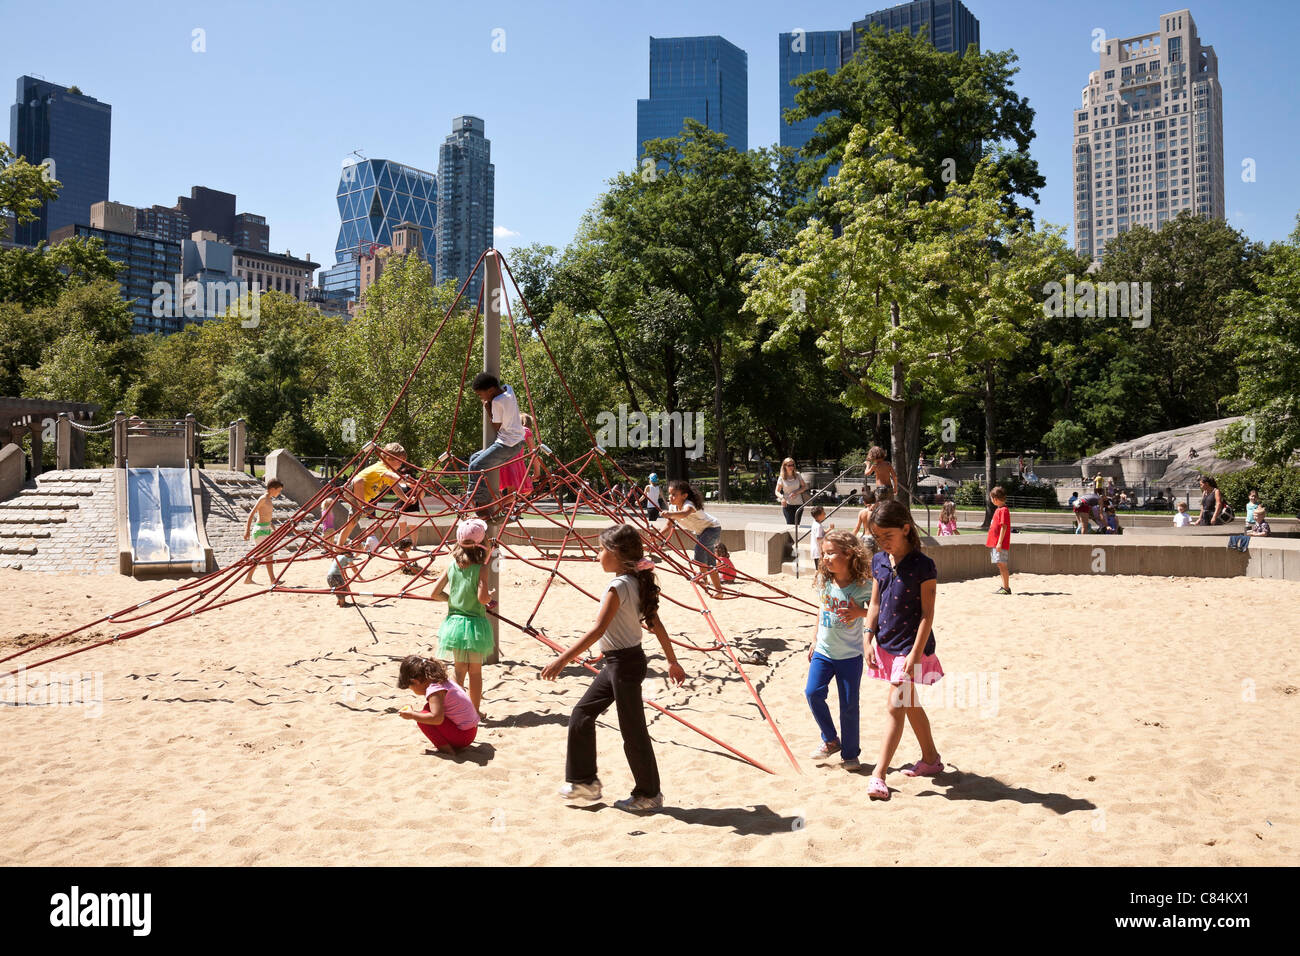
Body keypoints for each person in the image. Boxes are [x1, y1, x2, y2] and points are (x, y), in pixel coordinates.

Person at [540, 524, 687, 810]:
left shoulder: (618, 586)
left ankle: (648, 794)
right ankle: (583, 783)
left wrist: (561, 660)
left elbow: (597, 629)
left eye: (601, 549)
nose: (597, 556)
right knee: (582, 714)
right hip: (620, 661)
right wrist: (671, 660)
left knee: (633, 731)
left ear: (617, 554)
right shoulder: (633, 581)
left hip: (625, 665)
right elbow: (652, 625)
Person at [863, 500, 944, 801]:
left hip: (911, 648)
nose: (883, 543)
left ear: (906, 529)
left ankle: (878, 775)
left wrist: (914, 655)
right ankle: (932, 760)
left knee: (896, 705)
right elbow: (874, 604)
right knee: (909, 704)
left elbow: (927, 614)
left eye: (888, 536)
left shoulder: (924, 566)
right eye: (877, 537)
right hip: (885, 642)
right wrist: (867, 637)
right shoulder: (879, 561)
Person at [805, 530, 873, 770]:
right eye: (824, 553)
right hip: (823, 651)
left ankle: (851, 754)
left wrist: (860, 613)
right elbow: (821, 610)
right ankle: (831, 739)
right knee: (813, 693)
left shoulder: (864, 586)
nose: (825, 559)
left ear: (849, 554)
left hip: (849, 655)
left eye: (831, 553)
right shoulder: (824, 580)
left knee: (849, 705)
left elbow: (879, 613)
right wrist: (814, 639)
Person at [432, 518, 496, 715]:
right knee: (475, 672)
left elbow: (434, 593)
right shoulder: (481, 568)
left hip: (455, 624)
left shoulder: (452, 566)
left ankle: (455, 709)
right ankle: (474, 711)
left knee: (459, 671)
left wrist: (453, 600)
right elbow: (482, 597)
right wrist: (489, 597)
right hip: (474, 625)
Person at [466, 372, 526, 517]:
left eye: (481, 395)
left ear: (491, 391)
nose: (482, 398)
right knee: (474, 458)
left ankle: (482, 505)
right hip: (515, 441)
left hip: (507, 444)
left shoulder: (497, 402)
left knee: (476, 466)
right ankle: (479, 498)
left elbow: (497, 426)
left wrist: (487, 407)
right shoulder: (508, 389)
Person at [396, 655, 480, 754]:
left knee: (423, 718)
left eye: (411, 687)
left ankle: (446, 750)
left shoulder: (434, 690)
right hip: (471, 731)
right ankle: (449, 744)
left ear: (415, 681)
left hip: (463, 737)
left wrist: (412, 715)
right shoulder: (443, 681)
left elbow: (437, 718)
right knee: (427, 708)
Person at [659, 479, 725, 598]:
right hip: (702, 532)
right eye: (669, 494)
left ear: (684, 496)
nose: (671, 497)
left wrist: (670, 514)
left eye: (674, 494)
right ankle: (719, 591)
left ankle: (702, 576)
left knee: (699, 548)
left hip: (712, 528)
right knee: (710, 563)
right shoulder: (673, 508)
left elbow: (684, 513)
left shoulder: (689, 505)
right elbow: (669, 525)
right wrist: (657, 536)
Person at [335, 442, 405, 549]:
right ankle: (363, 506)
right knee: (358, 480)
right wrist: (403, 479)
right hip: (351, 489)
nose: (401, 464)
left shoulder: (389, 473)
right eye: (399, 461)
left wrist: (407, 499)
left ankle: (339, 546)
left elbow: (397, 489)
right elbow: (390, 475)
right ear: (388, 458)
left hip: (360, 498)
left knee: (351, 523)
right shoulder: (382, 467)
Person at [242, 478, 284, 584]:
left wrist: (272, 525)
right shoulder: (263, 499)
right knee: (268, 555)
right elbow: (252, 514)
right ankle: (272, 580)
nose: (279, 493)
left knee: (260, 556)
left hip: (266, 528)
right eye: (278, 490)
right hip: (260, 530)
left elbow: (266, 515)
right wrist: (247, 530)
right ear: (271, 489)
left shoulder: (269, 500)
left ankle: (248, 578)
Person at [987, 486, 1012, 594]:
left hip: (999, 543)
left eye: (992, 498)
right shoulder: (999, 510)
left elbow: (1004, 526)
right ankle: (1004, 586)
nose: (992, 501)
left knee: (1002, 564)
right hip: (996, 542)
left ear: (995, 499)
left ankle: (1006, 588)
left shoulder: (1003, 510)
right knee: (999, 564)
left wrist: (999, 542)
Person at [775, 458, 809, 528]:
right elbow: (777, 491)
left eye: (792, 465)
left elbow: (804, 487)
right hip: (787, 504)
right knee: (790, 525)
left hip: (799, 503)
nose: (791, 467)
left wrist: (796, 492)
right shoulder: (782, 477)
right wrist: (782, 498)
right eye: (789, 465)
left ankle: (795, 539)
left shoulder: (797, 475)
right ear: (784, 466)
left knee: (797, 526)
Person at [809, 505, 831, 573]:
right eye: (823, 513)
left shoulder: (815, 523)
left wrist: (830, 529)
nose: (825, 514)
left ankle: (818, 581)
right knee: (820, 569)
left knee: (819, 568)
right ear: (819, 516)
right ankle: (818, 581)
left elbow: (822, 533)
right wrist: (827, 538)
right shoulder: (818, 526)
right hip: (818, 551)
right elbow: (819, 538)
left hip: (816, 550)